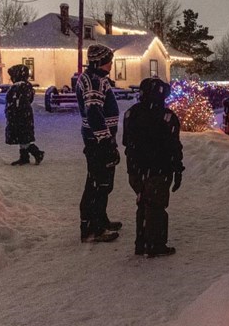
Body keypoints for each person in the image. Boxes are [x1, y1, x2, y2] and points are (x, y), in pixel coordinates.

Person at [122, 77, 184, 257]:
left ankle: (141, 242)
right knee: (156, 206)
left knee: (143, 202)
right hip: (158, 169)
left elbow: (126, 141)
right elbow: (174, 146)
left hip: (135, 169)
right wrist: (177, 168)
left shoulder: (131, 113)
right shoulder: (167, 117)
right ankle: (155, 244)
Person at [76, 43, 122, 243]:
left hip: (98, 139)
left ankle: (100, 219)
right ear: (100, 62)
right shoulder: (94, 81)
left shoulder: (96, 78)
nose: (111, 65)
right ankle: (92, 228)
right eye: (108, 61)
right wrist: (105, 140)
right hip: (97, 141)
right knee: (98, 183)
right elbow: (94, 113)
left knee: (102, 181)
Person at [5, 64, 44, 166]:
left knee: (23, 136)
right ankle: (24, 157)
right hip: (21, 115)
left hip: (20, 116)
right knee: (22, 137)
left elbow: (18, 102)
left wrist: (14, 112)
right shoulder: (24, 86)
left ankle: (36, 153)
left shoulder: (20, 87)